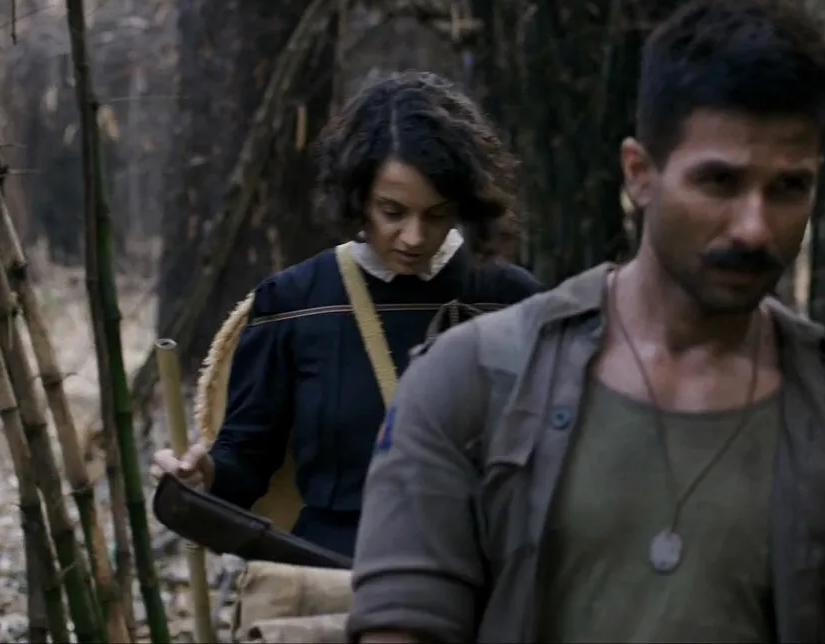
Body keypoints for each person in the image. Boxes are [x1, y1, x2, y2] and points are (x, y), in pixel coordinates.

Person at [347, 0, 825, 643]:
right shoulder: (472, 384)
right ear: (640, 174)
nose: (754, 227)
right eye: (720, 183)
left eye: (789, 189)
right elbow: (403, 623)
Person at [149, 71, 543, 558]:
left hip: (479, 570)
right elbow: (244, 466)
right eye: (392, 212)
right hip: (335, 573)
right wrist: (201, 476)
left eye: (437, 214)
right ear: (357, 199)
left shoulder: (512, 302)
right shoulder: (294, 303)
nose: (414, 237)